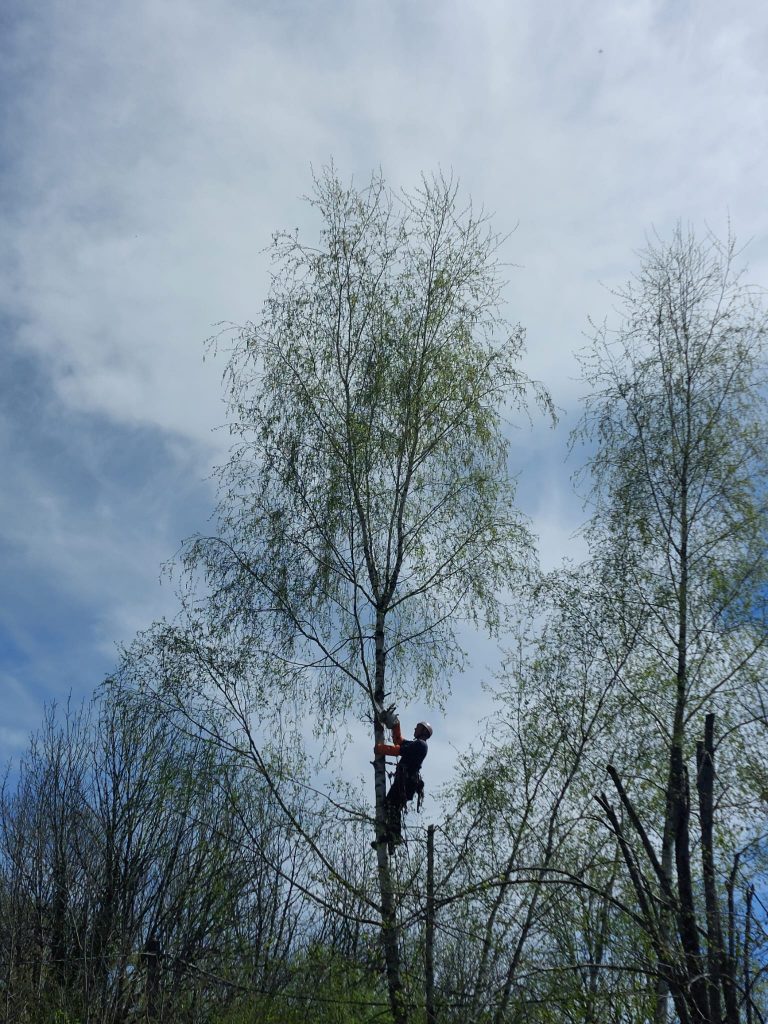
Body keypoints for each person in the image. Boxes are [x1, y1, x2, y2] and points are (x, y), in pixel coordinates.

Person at [373, 710, 433, 848]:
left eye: (417, 727)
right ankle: (389, 836)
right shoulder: (416, 743)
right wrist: (395, 724)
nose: (414, 728)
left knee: (392, 805)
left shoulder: (421, 745)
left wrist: (380, 749)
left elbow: (398, 750)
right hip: (403, 783)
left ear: (423, 731)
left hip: (406, 783)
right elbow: (399, 741)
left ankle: (394, 836)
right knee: (389, 805)